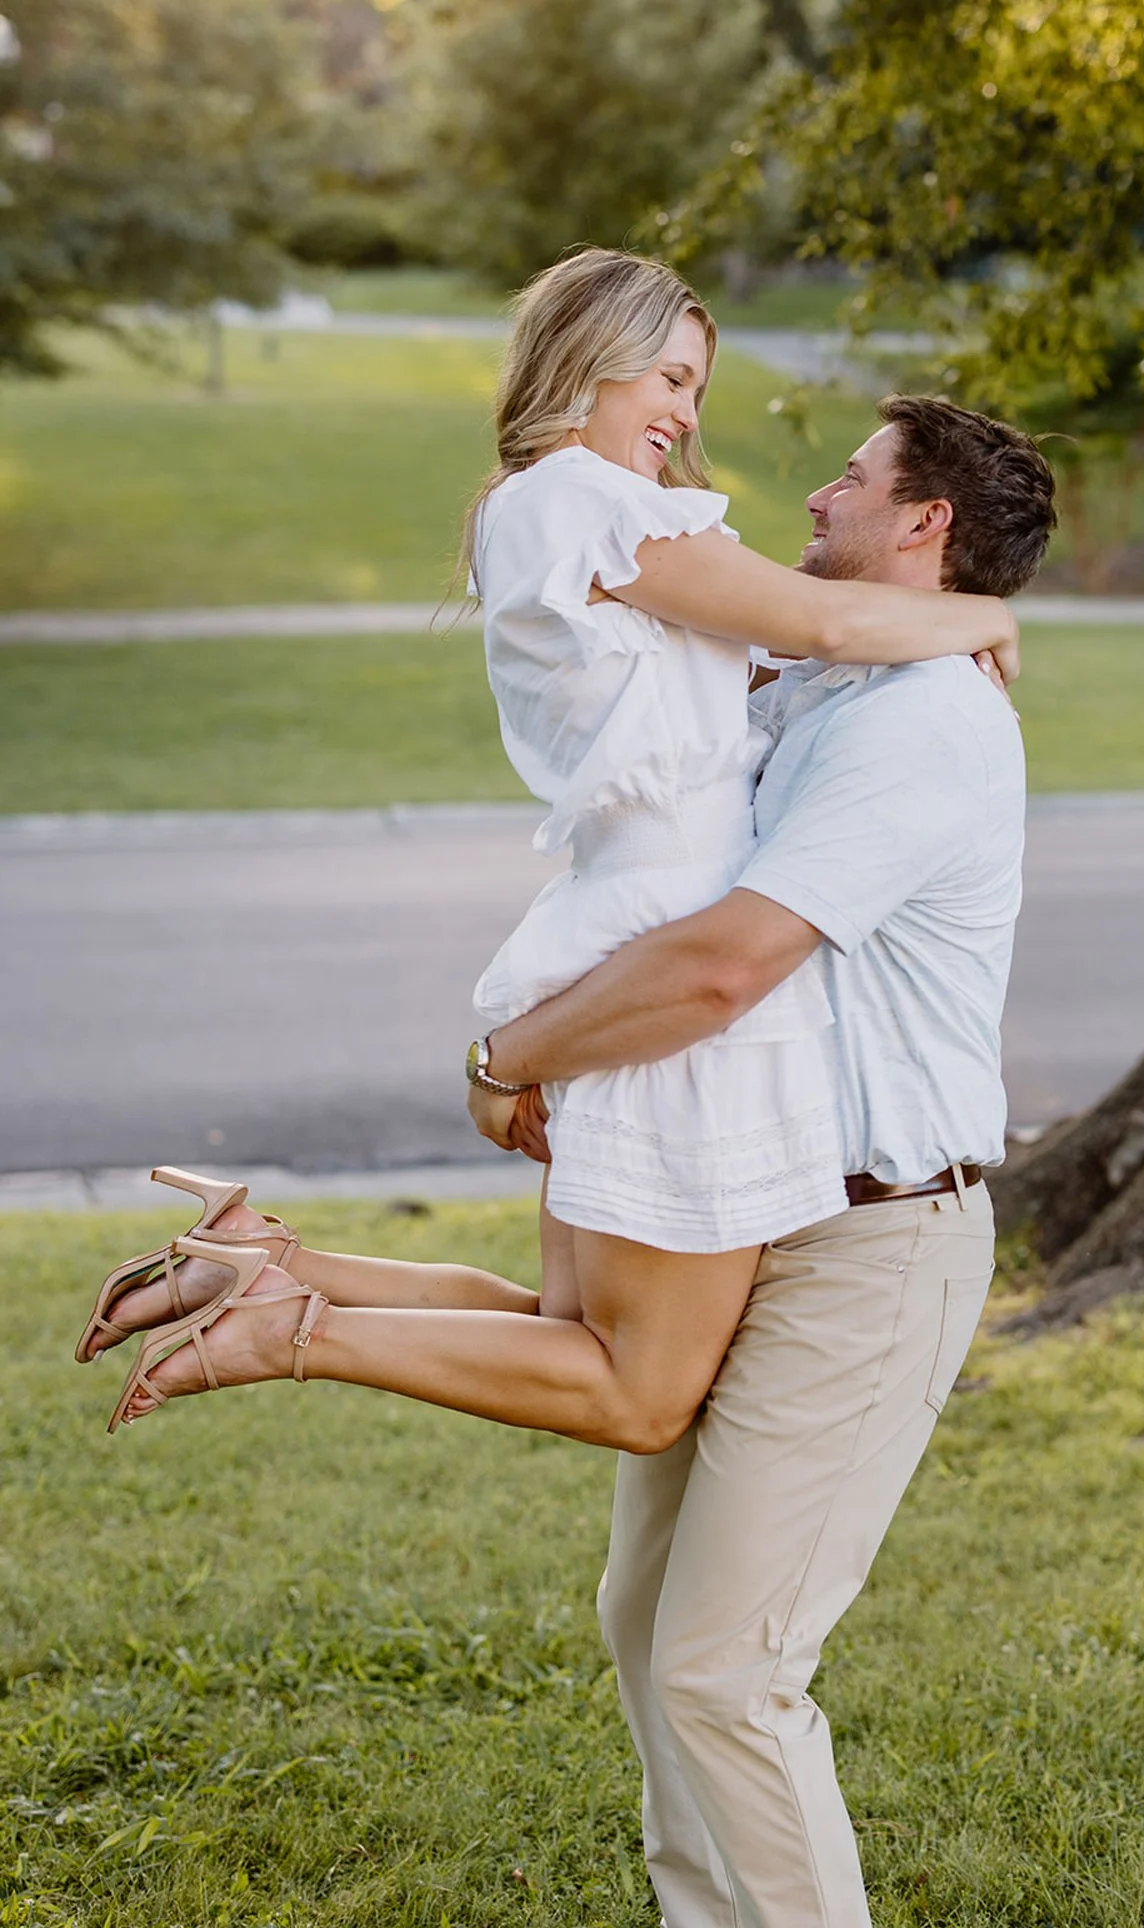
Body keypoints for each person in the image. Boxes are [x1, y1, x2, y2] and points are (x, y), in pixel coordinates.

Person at [75, 249, 1016, 1461]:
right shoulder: (587, 504)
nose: (685, 415)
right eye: (669, 378)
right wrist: (989, 614)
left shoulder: (557, 514)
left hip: (623, 917)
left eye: (694, 388)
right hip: (675, 946)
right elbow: (826, 622)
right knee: (637, 1391)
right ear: (591, 356)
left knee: (567, 1327)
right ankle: (290, 1328)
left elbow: (767, 661)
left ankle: (269, 1264)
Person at [462, 390, 1057, 1927]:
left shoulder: (920, 726)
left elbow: (724, 964)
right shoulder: (825, 688)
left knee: (727, 1669)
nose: (813, 494)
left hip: (873, 1239)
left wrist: (510, 1058)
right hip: (745, 1208)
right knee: (647, 1621)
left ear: (922, 520)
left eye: (850, 478)